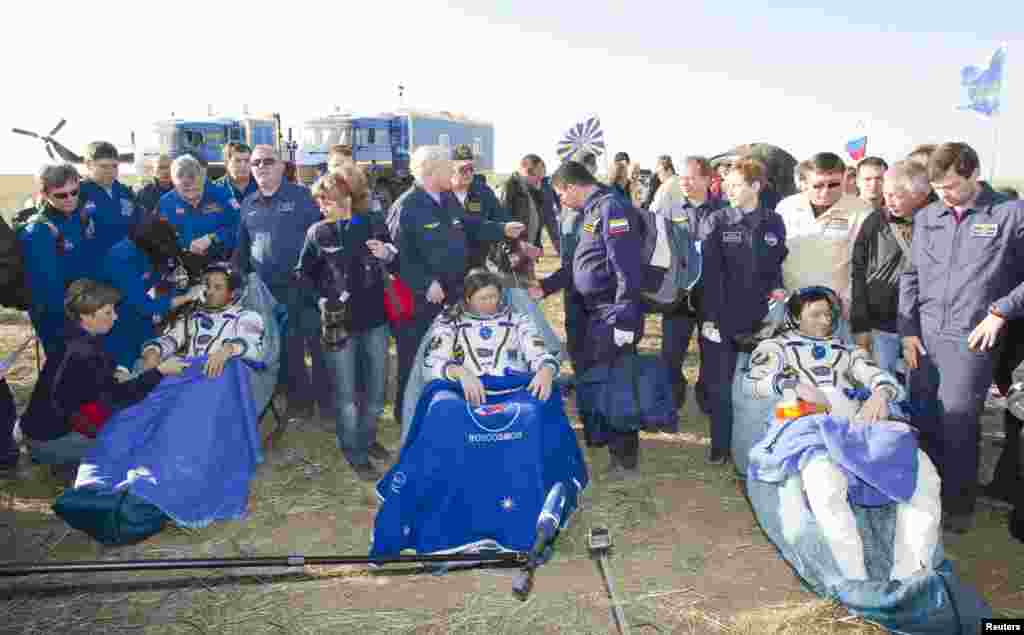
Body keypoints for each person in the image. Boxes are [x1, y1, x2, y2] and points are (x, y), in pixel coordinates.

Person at [744, 287, 940, 583]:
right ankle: (853, 580)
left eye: (828, 314)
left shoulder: (847, 351)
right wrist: (791, 385)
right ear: (796, 318)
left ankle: (911, 577)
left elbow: (881, 378)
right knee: (825, 483)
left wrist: (881, 394)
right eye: (815, 314)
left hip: (852, 424)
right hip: (802, 421)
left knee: (925, 475)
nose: (824, 321)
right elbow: (752, 385)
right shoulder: (777, 348)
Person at [899, 142, 1024, 534]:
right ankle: (922, 499)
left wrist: (1001, 311)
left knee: (957, 422)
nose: (944, 195)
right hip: (925, 335)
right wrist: (907, 332)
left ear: (973, 175)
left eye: (951, 186)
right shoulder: (928, 217)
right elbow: (911, 275)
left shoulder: (1009, 213)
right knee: (922, 417)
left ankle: (956, 506)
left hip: (973, 338)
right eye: (937, 188)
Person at [388, 145, 525, 423]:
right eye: (447, 169)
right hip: (420, 299)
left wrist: (501, 229)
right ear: (431, 171)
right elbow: (396, 257)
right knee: (415, 356)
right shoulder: (407, 206)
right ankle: (407, 414)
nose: (453, 173)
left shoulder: (446, 198)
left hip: (451, 294)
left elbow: (469, 224)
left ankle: (438, 408)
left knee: (447, 352)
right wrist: (426, 283)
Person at [19, 279, 187, 478]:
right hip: (50, 440)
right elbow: (116, 398)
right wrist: (160, 372)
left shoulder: (74, 337)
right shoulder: (84, 350)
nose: (115, 317)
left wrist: (119, 375)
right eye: (108, 313)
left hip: (37, 430)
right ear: (86, 316)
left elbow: (93, 385)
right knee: (136, 448)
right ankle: (63, 465)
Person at [297, 171, 396, 481]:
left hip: (376, 321)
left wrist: (387, 253)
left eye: (327, 200)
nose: (322, 206)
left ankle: (366, 439)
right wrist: (321, 301)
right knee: (347, 396)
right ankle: (354, 452)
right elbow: (303, 274)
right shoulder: (318, 233)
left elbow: (395, 256)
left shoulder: (371, 223)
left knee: (377, 391)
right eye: (319, 201)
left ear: (347, 199)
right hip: (340, 326)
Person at [552, 160, 646, 478]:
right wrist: (547, 286)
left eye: (560, 194)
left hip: (613, 314)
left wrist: (625, 318)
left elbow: (628, 269)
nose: (561, 201)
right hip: (596, 313)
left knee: (618, 385)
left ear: (572, 186)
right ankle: (611, 445)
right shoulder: (592, 211)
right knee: (602, 382)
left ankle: (626, 459)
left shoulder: (611, 209)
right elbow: (585, 260)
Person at [234, 144, 330, 422]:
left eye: (268, 161)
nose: (261, 166)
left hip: (305, 286)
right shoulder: (248, 204)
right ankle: (299, 403)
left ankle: (327, 404)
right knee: (287, 349)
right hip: (267, 292)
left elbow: (323, 236)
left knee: (317, 345)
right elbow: (241, 250)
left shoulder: (302, 197)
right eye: (256, 163)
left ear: (280, 166)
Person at [700, 157, 788, 464]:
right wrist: (709, 318)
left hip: (760, 317)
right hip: (721, 315)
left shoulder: (773, 222)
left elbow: (775, 263)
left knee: (758, 382)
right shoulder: (717, 220)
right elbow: (708, 275)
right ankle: (720, 447)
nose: (728, 190)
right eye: (727, 185)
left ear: (755, 186)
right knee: (720, 385)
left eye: (736, 185)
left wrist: (777, 286)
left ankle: (755, 443)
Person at [651, 156, 725, 415]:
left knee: (712, 353)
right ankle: (673, 399)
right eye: (682, 177)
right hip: (678, 295)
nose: (685, 182)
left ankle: (706, 399)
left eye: (691, 177)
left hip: (712, 295)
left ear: (707, 179)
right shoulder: (669, 210)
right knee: (671, 353)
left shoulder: (723, 212)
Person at [424, 269, 559, 404]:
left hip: (513, 390)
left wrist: (546, 370)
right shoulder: (450, 321)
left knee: (545, 398)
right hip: (464, 391)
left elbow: (538, 353)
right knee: (441, 404)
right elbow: (432, 362)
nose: (489, 302)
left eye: (493, 296)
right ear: (468, 298)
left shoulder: (518, 320)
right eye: (482, 298)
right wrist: (460, 372)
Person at [850, 160, 930, 378]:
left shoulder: (937, 222)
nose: (888, 201)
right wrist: (860, 325)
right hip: (880, 326)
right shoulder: (874, 221)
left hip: (922, 327)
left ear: (919, 194)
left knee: (918, 391)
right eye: (886, 194)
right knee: (880, 386)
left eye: (896, 195)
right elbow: (858, 272)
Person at [776, 152, 870, 325]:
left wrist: (848, 300)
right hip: (792, 308)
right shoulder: (785, 208)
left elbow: (864, 263)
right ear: (804, 183)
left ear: (844, 179)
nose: (825, 191)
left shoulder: (862, 211)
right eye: (818, 185)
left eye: (834, 184)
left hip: (837, 311)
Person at [100, 217, 203, 370]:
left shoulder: (158, 238)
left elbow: (171, 255)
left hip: (142, 317)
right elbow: (145, 306)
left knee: (151, 350)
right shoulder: (121, 260)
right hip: (120, 319)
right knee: (129, 365)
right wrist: (187, 297)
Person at [18, 164, 98, 358]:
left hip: (84, 307)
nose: (70, 198)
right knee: (65, 368)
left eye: (74, 192)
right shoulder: (39, 231)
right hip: (58, 316)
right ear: (45, 195)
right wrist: (76, 321)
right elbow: (46, 289)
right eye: (61, 195)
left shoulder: (78, 216)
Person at [139, 261, 265, 377]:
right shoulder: (193, 318)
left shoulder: (246, 317)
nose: (209, 292)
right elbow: (171, 340)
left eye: (217, 288)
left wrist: (227, 350)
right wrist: (153, 351)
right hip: (191, 383)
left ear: (232, 293)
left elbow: (252, 346)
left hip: (226, 385)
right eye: (208, 286)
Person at [158, 155, 241, 264]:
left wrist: (213, 238)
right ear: (175, 185)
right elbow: (160, 238)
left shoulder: (222, 194)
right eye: (186, 193)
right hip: (183, 265)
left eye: (197, 191)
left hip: (221, 262)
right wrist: (183, 246)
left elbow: (240, 227)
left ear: (203, 180)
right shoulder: (166, 202)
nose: (192, 198)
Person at [78, 141, 144, 260]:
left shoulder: (125, 192)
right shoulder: (76, 194)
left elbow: (140, 222)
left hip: (128, 260)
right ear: (88, 164)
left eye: (114, 166)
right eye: (103, 166)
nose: (110, 171)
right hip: (95, 265)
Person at [449, 144, 506, 271]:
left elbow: (501, 218)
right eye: (463, 169)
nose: (468, 173)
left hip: (478, 264)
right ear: (451, 169)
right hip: (448, 267)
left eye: (471, 168)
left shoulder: (483, 192)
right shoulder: (441, 192)